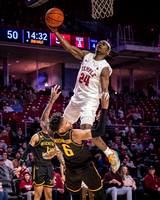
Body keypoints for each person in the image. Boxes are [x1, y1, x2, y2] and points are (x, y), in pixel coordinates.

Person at [45, 25, 120, 171]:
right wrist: (56, 33)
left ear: (107, 52)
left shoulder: (104, 67)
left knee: (87, 130)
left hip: (90, 101)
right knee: (60, 126)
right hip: (77, 97)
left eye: (104, 45)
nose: (101, 44)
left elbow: (105, 91)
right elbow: (69, 48)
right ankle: (57, 148)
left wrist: (102, 109)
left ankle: (110, 154)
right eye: (100, 43)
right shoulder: (87, 55)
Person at [41, 85, 110, 200]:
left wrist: (51, 100)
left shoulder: (54, 134)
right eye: (67, 123)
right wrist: (104, 109)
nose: (70, 122)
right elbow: (100, 131)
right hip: (86, 167)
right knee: (99, 194)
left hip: (71, 170)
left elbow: (43, 120)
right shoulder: (75, 134)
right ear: (61, 129)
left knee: (75, 196)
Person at [16, 86, 65, 200]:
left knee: (49, 195)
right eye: (45, 121)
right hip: (38, 167)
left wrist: (64, 170)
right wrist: (20, 165)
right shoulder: (37, 136)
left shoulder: (53, 137)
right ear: (41, 124)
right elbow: (27, 150)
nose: (47, 121)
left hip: (49, 167)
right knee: (38, 195)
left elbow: (58, 154)